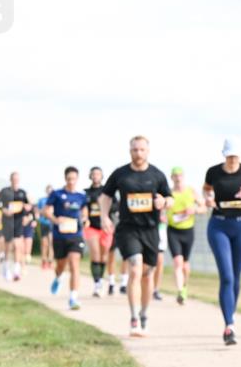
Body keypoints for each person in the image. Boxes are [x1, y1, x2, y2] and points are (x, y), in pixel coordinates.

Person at [99, 135, 173, 336]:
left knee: (148, 275)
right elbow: (105, 196)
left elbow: (170, 199)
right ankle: (133, 319)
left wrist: (163, 203)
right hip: (128, 229)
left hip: (150, 230)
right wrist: (105, 216)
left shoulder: (157, 175)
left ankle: (143, 314)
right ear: (129, 151)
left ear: (147, 151)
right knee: (135, 268)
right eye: (134, 150)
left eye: (141, 149)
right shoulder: (121, 174)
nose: (138, 153)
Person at [203, 139, 241, 344]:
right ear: (224, 155)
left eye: (235, 156)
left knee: (235, 276)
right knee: (226, 276)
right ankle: (229, 326)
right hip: (219, 226)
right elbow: (207, 189)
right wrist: (208, 198)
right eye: (229, 156)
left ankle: (231, 315)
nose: (232, 159)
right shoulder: (213, 172)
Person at [46, 167, 89, 310]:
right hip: (60, 235)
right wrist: (55, 219)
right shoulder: (57, 194)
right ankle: (58, 278)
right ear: (65, 179)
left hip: (75, 236)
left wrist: (85, 219)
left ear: (77, 179)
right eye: (69, 179)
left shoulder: (81, 196)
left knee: (74, 264)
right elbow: (46, 211)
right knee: (61, 265)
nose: (71, 182)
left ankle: (73, 298)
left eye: (74, 179)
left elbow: (84, 212)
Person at [166, 166, 206, 305]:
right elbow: (162, 208)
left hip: (188, 230)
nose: (177, 178)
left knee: (185, 265)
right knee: (177, 261)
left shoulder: (191, 191)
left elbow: (204, 208)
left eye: (180, 175)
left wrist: (194, 209)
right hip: (173, 230)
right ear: (171, 178)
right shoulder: (169, 193)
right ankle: (180, 292)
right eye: (175, 176)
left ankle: (184, 286)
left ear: (183, 177)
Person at [84, 167, 116, 297]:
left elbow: (116, 205)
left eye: (98, 174)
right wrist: (85, 218)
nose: (96, 176)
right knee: (95, 254)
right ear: (90, 176)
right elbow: (83, 207)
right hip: (92, 226)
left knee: (104, 256)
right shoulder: (86, 192)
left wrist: (105, 206)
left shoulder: (107, 191)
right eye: (94, 174)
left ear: (102, 176)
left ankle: (102, 279)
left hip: (105, 227)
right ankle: (97, 284)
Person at [0, 172, 29, 281]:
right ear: (10, 179)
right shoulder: (5, 191)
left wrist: (27, 214)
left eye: (17, 179)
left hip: (18, 221)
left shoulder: (22, 192)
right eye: (14, 179)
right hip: (8, 221)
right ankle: (6, 267)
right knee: (8, 245)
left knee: (17, 245)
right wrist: (4, 209)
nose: (15, 180)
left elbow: (27, 206)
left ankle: (16, 270)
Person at [37, 186, 55, 270]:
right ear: (46, 191)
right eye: (48, 191)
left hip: (52, 223)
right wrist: (44, 212)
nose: (49, 193)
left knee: (51, 243)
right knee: (44, 243)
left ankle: (50, 261)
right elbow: (37, 211)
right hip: (44, 223)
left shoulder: (55, 200)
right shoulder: (42, 200)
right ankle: (44, 261)